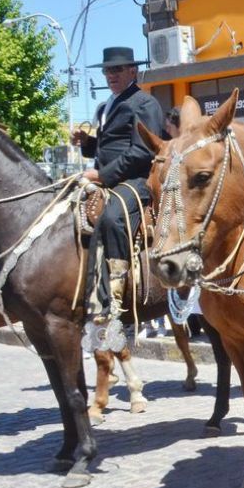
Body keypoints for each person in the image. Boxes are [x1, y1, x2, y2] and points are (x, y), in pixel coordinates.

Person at [71, 46, 165, 333]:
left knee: (112, 218)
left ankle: (114, 295)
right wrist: (87, 143)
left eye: (116, 70)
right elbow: (105, 147)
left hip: (135, 180)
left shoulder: (145, 104)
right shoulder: (104, 106)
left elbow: (141, 152)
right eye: (107, 70)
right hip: (105, 177)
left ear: (132, 71)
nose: (110, 75)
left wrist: (102, 174)